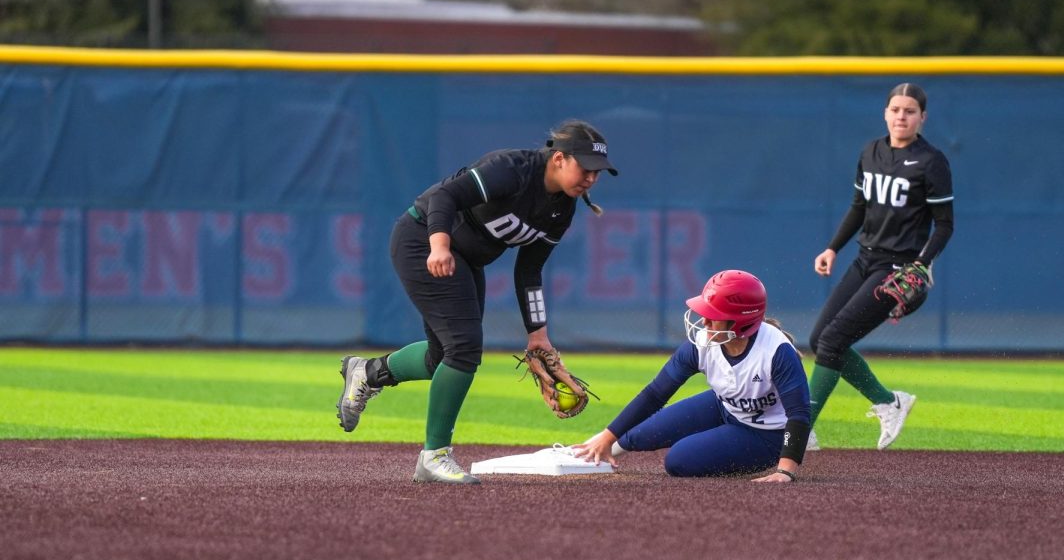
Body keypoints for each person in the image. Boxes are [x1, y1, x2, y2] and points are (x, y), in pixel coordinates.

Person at [337, 119, 618, 484]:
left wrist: (538, 335)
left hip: (465, 259)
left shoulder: (562, 209)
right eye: (586, 168)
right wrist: (438, 245)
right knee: (465, 348)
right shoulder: (513, 170)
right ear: (560, 158)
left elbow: (529, 272)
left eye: (599, 173)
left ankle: (370, 372)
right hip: (421, 239)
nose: (592, 179)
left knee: (445, 356)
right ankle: (434, 456)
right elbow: (444, 197)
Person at [807, 82, 954, 451]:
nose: (901, 116)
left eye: (909, 111)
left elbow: (945, 224)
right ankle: (890, 401)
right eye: (895, 109)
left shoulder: (931, 161)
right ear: (885, 113)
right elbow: (860, 206)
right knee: (820, 339)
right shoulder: (871, 151)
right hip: (864, 257)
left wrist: (921, 264)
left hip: (897, 266)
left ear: (922, 117)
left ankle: (799, 427)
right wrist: (832, 248)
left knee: (832, 340)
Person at [572, 270, 811, 483]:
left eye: (713, 316)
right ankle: (592, 451)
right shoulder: (700, 345)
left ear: (739, 322)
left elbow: (799, 414)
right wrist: (607, 436)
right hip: (724, 406)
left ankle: (780, 451)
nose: (704, 322)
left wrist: (786, 470)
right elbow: (655, 394)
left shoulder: (776, 352)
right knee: (638, 433)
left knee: (679, 460)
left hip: (767, 435)